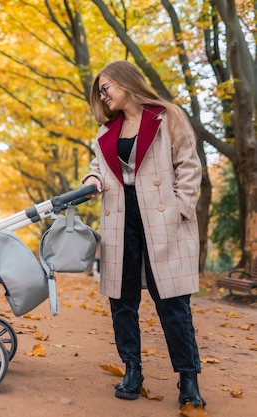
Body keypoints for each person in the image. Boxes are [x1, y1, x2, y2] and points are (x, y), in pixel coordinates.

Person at [80, 61, 206, 409]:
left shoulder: (168, 116)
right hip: (121, 217)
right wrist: (91, 181)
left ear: (125, 81)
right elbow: (99, 170)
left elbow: (189, 164)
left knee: (173, 301)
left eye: (106, 88)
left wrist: (182, 206)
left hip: (163, 215)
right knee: (122, 300)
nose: (102, 96)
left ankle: (188, 378)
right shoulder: (106, 133)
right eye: (100, 92)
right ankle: (132, 370)